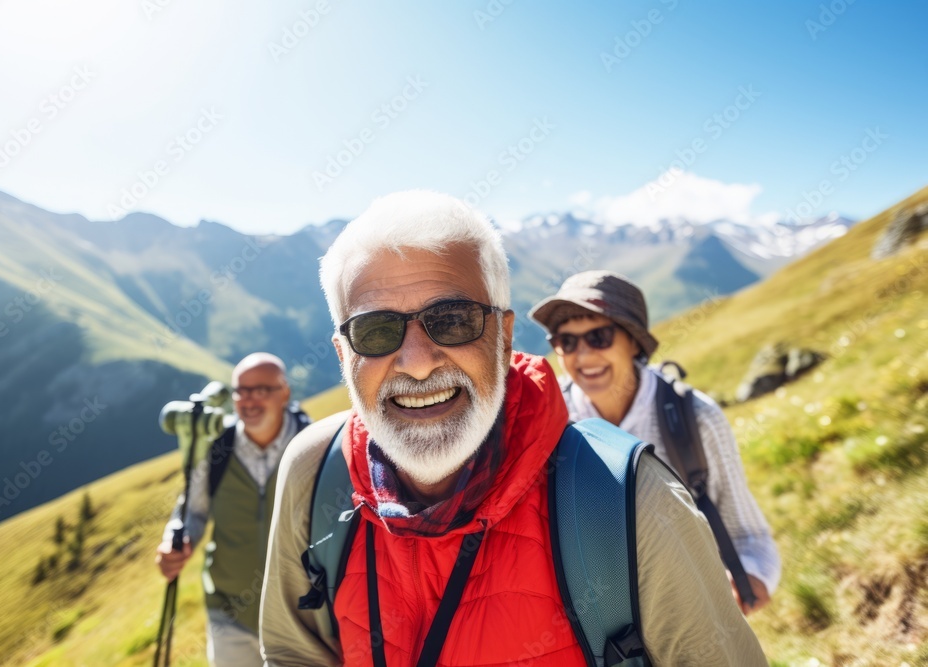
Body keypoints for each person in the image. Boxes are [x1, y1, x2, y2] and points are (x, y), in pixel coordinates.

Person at [260, 190, 767, 666]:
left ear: (503, 340)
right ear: (343, 355)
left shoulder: (630, 500)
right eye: (375, 331)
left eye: (452, 320)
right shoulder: (312, 473)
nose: (415, 363)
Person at [528, 270, 780, 614]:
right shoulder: (546, 419)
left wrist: (750, 578)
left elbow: (750, 536)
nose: (582, 356)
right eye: (566, 342)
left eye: (599, 337)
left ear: (634, 341)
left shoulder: (695, 417)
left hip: (687, 610)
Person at [156, 353, 309, 667]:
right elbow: (193, 512)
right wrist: (177, 539)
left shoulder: (313, 446)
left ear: (285, 392)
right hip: (228, 610)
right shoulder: (216, 447)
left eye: (262, 390)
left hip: (301, 615)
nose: (249, 400)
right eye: (241, 391)